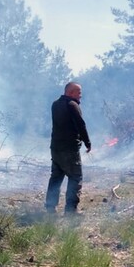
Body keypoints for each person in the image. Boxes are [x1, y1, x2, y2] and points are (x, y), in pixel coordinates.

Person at [44, 81, 91, 216]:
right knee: (75, 177)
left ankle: (50, 208)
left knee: (56, 178)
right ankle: (71, 210)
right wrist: (87, 142)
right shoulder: (72, 105)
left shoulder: (55, 104)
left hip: (56, 148)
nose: (80, 96)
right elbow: (80, 125)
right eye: (79, 92)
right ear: (71, 92)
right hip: (69, 149)